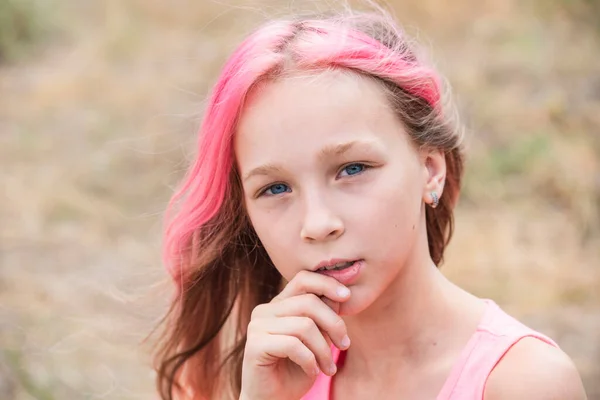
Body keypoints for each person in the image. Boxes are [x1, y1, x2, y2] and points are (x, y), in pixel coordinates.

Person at [151, 5, 588, 400]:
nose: (318, 224)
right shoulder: (276, 373)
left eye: (353, 169)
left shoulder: (522, 384)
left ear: (430, 169)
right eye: (276, 189)